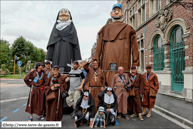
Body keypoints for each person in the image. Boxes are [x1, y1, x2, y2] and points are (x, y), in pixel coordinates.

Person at [95, 3, 139, 87]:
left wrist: (135, 64)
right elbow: (98, 49)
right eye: (114, 11)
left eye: (118, 11)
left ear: (122, 13)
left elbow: (135, 48)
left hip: (123, 65)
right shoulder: (104, 29)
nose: (116, 12)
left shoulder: (129, 29)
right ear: (111, 14)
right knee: (109, 91)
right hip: (107, 66)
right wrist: (96, 63)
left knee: (121, 92)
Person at [45, 8, 82, 73]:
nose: (63, 13)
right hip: (56, 55)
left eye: (66, 12)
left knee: (68, 74)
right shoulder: (55, 29)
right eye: (61, 12)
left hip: (68, 54)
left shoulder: (72, 28)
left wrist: (77, 60)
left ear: (69, 15)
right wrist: (48, 59)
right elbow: (51, 44)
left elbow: (76, 45)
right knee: (56, 74)